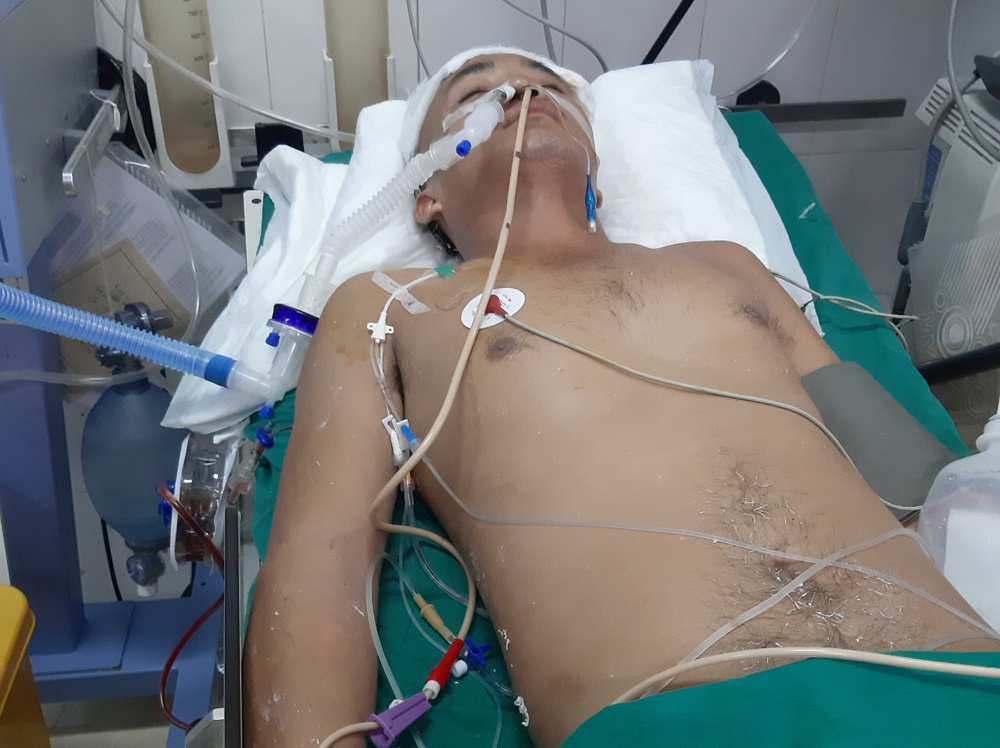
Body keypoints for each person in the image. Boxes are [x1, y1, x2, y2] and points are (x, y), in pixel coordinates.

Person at [245, 52, 998, 748]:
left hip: (965, 685)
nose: (521, 92)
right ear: (426, 194)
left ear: (595, 167)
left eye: (549, 87)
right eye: (478, 90)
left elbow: (916, 485)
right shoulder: (389, 305)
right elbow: (321, 558)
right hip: (679, 720)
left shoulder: (728, 265)